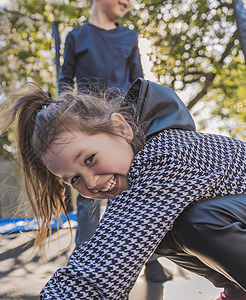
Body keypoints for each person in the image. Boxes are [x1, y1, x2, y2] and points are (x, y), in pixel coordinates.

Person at [0, 81, 246, 299]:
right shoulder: (143, 177)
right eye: (73, 179)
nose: (91, 182)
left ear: (120, 129)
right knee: (164, 231)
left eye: (89, 160)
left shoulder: (165, 155)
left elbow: (102, 266)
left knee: (199, 221)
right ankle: (240, 292)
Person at [59, 0, 170, 282]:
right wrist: (69, 118)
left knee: (137, 187)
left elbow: (138, 80)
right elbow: (65, 81)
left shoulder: (129, 36)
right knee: (89, 194)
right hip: (88, 125)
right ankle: (84, 265)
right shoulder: (77, 36)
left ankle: (152, 259)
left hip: (123, 126)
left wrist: (140, 123)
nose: (127, 3)